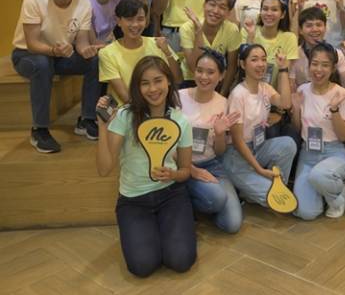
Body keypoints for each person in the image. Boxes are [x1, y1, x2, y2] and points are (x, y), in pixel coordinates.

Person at [96, 56, 196, 277]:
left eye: (158, 80)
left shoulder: (181, 121)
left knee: (181, 261)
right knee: (142, 266)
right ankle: (156, 232)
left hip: (171, 195)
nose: (153, 89)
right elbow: (104, 169)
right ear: (137, 87)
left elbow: (186, 171)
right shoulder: (125, 116)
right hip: (134, 201)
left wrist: (173, 174)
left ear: (168, 81)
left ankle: (172, 228)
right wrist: (102, 127)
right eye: (145, 83)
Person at [12, 0, 101, 152]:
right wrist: (53, 50)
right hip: (27, 55)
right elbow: (32, 44)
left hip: (60, 56)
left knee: (95, 61)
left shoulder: (84, 4)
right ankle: (40, 130)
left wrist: (88, 50)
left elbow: (81, 42)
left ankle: (87, 119)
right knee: (42, 63)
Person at [222, 44, 297, 206]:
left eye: (263, 59)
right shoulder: (238, 95)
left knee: (288, 144)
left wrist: (283, 69)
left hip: (257, 147)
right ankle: (247, 184)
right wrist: (259, 169)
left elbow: (285, 103)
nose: (261, 64)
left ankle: (264, 186)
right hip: (236, 154)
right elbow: (237, 141)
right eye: (254, 60)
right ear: (243, 64)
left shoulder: (265, 87)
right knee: (275, 198)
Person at [180, 50, 243, 233]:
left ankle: (197, 200)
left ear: (221, 76)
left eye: (210, 72)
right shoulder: (178, 97)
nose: (203, 77)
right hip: (182, 164)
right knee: (216, 198)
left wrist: (220, 134)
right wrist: (192, 170)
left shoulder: (223, 103)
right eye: (199, 70)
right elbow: (168, 144)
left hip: (211, 164)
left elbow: (220, 151)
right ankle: (185, 197)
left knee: (232, 224)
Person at [291, 43, 345, 220]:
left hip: (334, 152)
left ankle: (338, 195)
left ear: (333, 68)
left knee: (319, 175)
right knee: (306, 212)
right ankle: (324, 188)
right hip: (308, 153)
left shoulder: (341, 93)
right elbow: (298, 128)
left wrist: (334, 110)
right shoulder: (302, 90)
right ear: (308, 65)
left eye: (325, 65)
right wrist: (296, 109)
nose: (319, 69)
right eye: (315, 64)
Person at [98, 0, 181, 105]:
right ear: (118, 21)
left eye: (140, 19)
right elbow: (125, 97)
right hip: (128, 110)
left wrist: (167, 53)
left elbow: (177, 79)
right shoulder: (107, 53)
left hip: (160, 107)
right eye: (129, 19)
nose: (135, 24)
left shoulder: (158, 44)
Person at [180, 0, 240, 94]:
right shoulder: (187, 28)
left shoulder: (232, 30)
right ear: (204, 5)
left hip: (215, 81)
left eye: (222, 7)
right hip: (190, 80)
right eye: (212, 4)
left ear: (228, 13)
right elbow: (193, 67)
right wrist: (199, 32)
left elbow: (232, 66)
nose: (216, 11)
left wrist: (223, 93)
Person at [242, 0, 298, 89]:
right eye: (265, 9)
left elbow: (285, 75)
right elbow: (243, 67)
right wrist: (250, 37)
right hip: (248, 89)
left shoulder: (290, 38)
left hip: (274, 93)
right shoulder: (247, 31)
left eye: (274, 10)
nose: (269, 13)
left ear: (283, 14)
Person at [292, 7, 345, 88]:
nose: (314, 29)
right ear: (300, 30)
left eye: (319, 25)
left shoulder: (337, 54)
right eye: (309, 25)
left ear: (325, 27)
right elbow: (291, 87)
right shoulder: (294, 55)